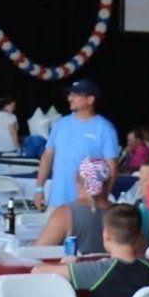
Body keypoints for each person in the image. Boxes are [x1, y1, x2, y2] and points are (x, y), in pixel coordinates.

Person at [33, 204, 149, 297]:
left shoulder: (99, 270)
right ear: (139, 235)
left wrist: (66, 264)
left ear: (106, 234)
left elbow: (37, 271)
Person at [36, 80, 119, 209]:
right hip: (57, 200)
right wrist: (39, 189)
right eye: (70, 94)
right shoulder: (59, 124)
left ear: (90, 99)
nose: (70, 98)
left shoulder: (105, 128)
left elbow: (111, 169)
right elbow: (47, 157)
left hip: (88, 204)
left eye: (76, 95)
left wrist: (102, 200)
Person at [32, 156, 114, 253]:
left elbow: (37, 252)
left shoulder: (65, 214)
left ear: (77, 180)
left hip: (71, 263)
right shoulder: (122, 214)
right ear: (109, 182)